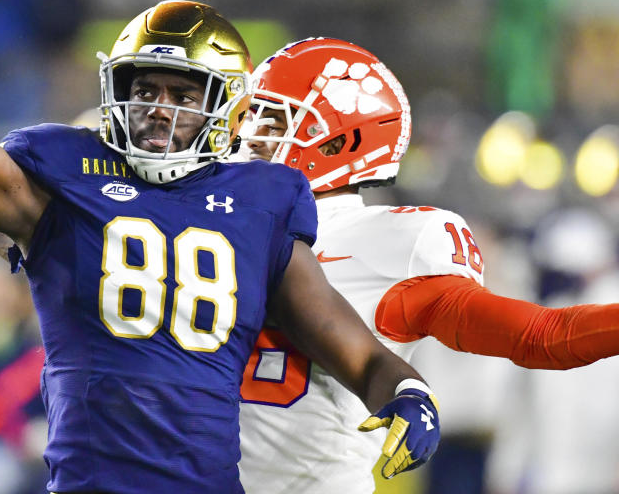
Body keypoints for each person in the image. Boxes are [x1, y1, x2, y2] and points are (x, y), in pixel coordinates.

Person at [0, 0, 442, 492]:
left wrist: (406, 391)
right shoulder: (65, 173)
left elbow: (351, 348)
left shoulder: (263, 200)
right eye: (145, 87)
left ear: (225, 107)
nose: (158, 108)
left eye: (183, 95)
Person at [234, 37, 619, 493]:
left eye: (276, 122)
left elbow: (542, 336)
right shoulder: (214, 221)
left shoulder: (389, 242)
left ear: (341, 141)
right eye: (252, 117)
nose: (249, 137)